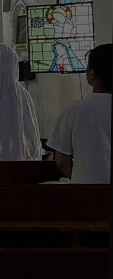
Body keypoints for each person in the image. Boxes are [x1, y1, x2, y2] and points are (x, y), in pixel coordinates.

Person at [47, 44, 111, 183]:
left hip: (87, 195)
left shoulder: (74, 110)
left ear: (92, 73)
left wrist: (78, 177)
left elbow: (62, 161)